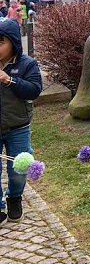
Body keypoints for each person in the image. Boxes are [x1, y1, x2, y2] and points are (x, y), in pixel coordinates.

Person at [0, 19, 43, 223]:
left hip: (18, 126)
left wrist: (9, 80)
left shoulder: (27, 64)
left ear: (14, 43)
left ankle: (14, 197)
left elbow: (34, 90)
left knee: (18, 169)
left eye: (1, 42)